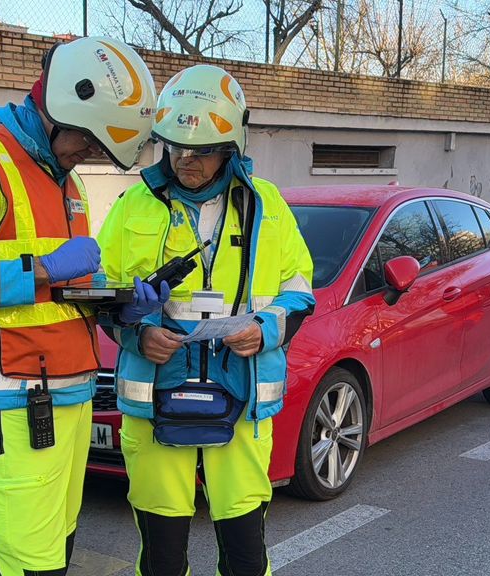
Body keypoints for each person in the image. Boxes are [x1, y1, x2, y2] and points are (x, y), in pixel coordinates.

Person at [0, 36, 160, 576]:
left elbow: (62, 296)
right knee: (31, 565)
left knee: (57, 555)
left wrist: (117, 304)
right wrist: (41, 270)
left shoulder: (65, 183)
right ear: (58, 109)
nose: (88, 154)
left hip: (70, 400)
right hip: (18, 405)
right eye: (87, 140)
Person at [97, 64, 315, 576]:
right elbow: (101, 293)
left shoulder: (267, 206)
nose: (184, 159)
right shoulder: (133, 205)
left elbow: (300, 290)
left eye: (199, 150)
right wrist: (136, 331)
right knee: (162, 555)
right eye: (174, 146)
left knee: (243, 550)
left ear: (230, 148)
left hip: (240, 395)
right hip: (155, 396)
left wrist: (264, 329)